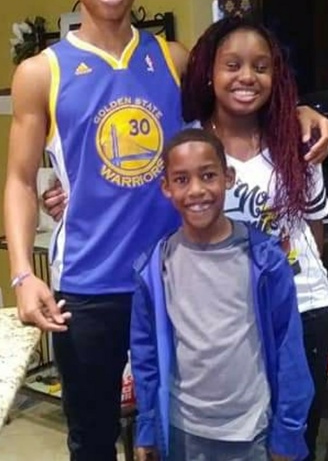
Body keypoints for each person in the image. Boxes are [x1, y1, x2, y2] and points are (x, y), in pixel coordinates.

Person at [7, 0, 328, 461]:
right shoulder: (41, 72)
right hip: (88, 282)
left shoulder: (174, 59)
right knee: (91, 436)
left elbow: (241, 98)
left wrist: (299, 111)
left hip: (176, 278)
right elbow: (18, 179)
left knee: (171, 425)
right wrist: (21, 275)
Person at [181, 16, 328, 461]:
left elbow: (314, 228)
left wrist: (294, 282)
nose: (247, 76)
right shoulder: (189, 145)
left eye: (260, 66)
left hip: (303, 309)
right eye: (233, 65)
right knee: (236, 442)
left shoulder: (299, 140)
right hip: (226, 320)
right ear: (210, 73)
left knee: (294, 442)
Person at [131, 128, 313, 461]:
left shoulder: (265, 261)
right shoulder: (155, 266)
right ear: (166, 187)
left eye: (208, 175)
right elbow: (145, 354)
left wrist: (288, 434)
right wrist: (147, 426)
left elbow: (289, 348)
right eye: (182, 179)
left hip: (251, 433)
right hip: (182, 433)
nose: (196, 190)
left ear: (227, 177)